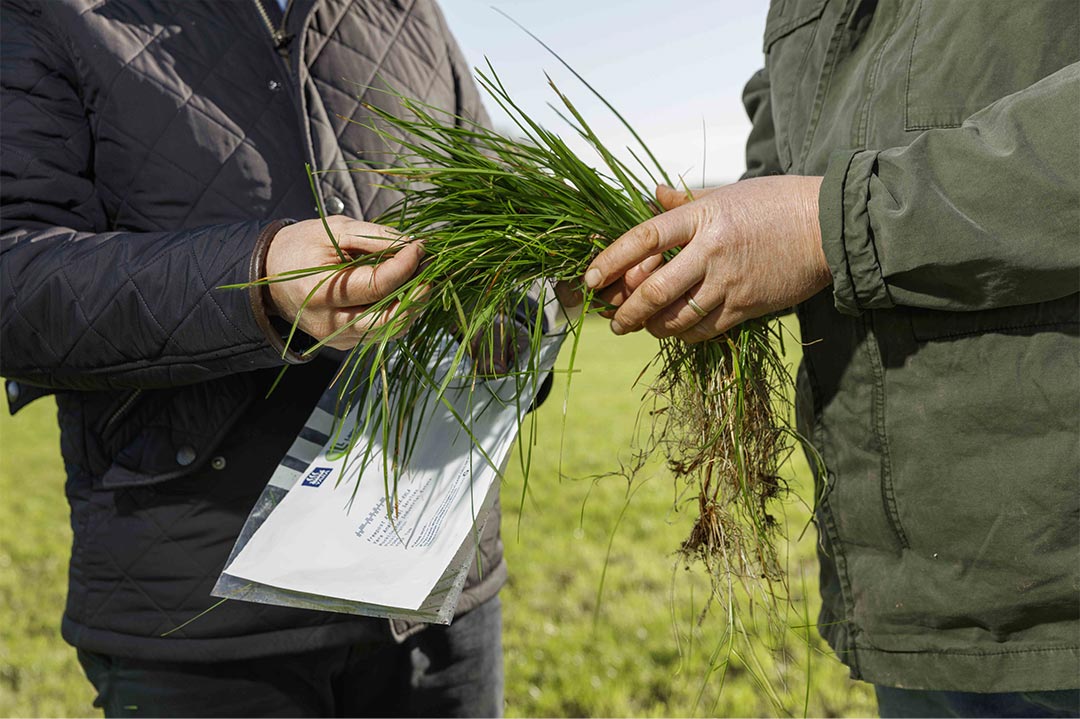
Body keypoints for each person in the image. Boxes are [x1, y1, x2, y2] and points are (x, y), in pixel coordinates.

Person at [1, 0, 512, 715]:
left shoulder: (407, 9)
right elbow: (15, 281)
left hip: (436, 593)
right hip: (203, 617)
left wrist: (547, 285)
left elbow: (486, 207)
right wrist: (259, 279)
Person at [584, 1, 1079, 717]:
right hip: (921, 603)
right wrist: (704, 242)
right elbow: (786, 154)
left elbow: (821, 212)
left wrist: (828, 227)